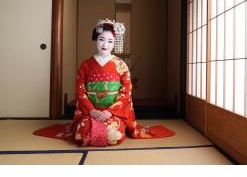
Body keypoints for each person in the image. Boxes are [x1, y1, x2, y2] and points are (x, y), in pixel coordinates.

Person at [34, 19, 175, 147]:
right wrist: (92, 111)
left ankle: (103, 131)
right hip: (90, 112)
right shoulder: (85, 65)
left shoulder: (121, 64)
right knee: (82, 131)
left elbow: (126, 92)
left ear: (114, 43)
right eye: (101, 39)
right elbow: (80, 91)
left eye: (110, 41)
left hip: (113, 113)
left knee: (115, 134)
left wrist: (109, 111)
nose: (105, 44)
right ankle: (92, 129)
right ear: (96, 40)